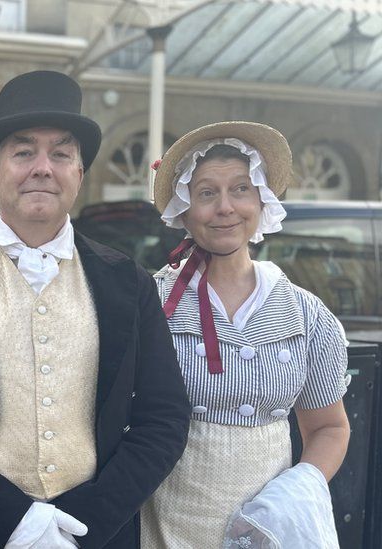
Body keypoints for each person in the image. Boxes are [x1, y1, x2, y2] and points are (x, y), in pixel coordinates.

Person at [0, 70, 191, 549]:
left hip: (95, 536)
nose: (42, 167)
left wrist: (86, 521)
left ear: (79, 174)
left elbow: (164, 417)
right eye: (24, 151)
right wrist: (11, 520)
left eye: (61, 153)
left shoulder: (128, 282)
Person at [141, 121, 350, 548]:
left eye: (240, 189)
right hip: (167, 524)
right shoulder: (150, 304)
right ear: (183, 209)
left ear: (261, 201)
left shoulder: (305, 314)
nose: (225, 207)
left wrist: (294, 494)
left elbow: (329, 427)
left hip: (267, 527)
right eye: (206, 193)